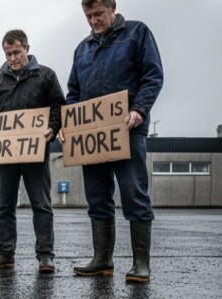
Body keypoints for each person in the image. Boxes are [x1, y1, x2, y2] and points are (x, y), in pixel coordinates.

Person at [61, 0, 163, 283]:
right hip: (91, 137)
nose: (93, 20)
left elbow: (152, 76)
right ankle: (102, 259)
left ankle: (141, 263)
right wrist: (69, 124)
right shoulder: (82, 48)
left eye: (98, 14)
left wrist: (139, 109)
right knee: (97, 197)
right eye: (88, 16)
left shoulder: (137, 33)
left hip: (128, 130)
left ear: (113, 8)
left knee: (134, 194)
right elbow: (73, 93)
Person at [0, 29, 65, 273]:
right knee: (4, 205)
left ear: (27, 48)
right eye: (8, 54)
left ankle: (46, 256)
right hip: (4, 155)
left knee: (41, 204)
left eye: (16, 52)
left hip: (35, 152)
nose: (12, 58)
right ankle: (5, 254)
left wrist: (52, 127)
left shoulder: (46, 76)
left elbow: (58, 106)